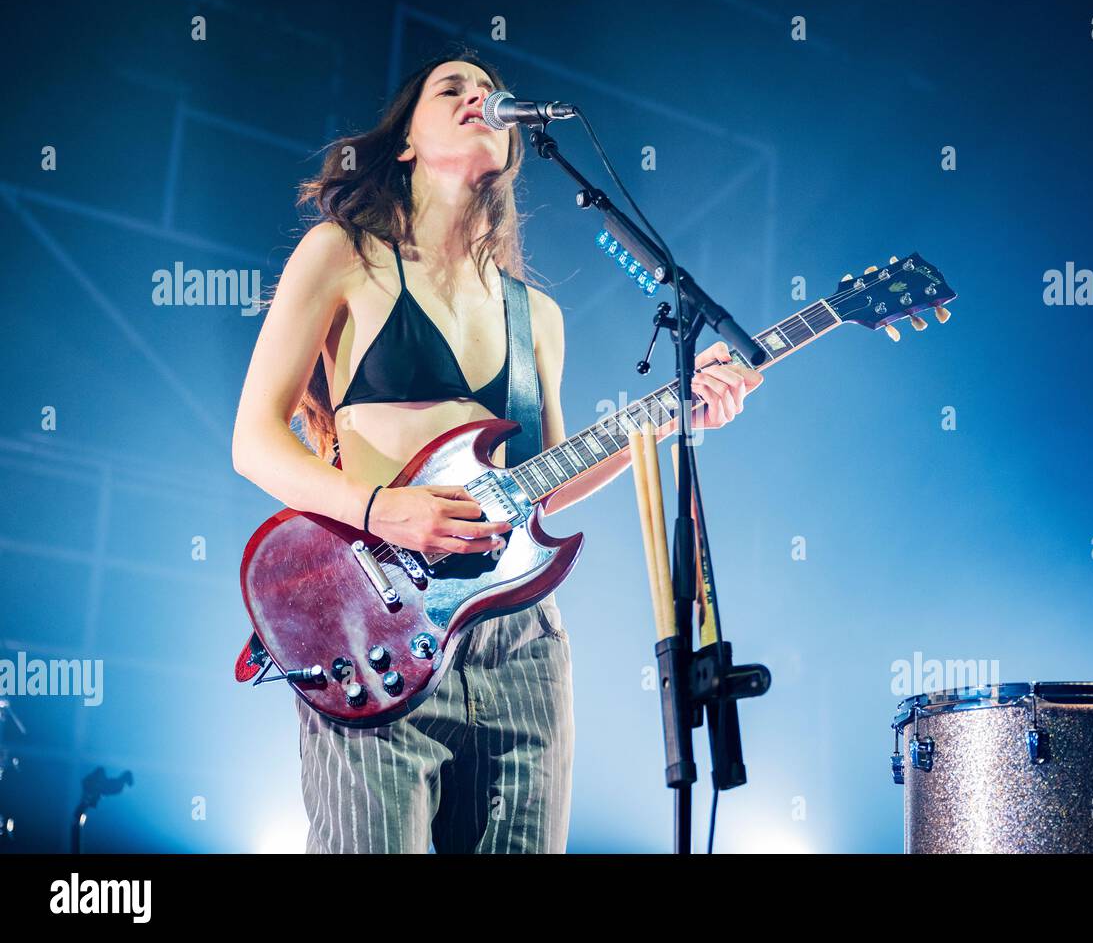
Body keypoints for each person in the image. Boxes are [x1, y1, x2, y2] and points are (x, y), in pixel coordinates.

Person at [231, 44, 762, 853]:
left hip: (522, 649)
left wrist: (675, 415)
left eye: (492, 90)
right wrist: (381, 507)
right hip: (376, 634)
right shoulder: (342, 255)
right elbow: (253, 441)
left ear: (518, 143)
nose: (480, 97)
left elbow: (542, 486)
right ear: (406, 140)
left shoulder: (537, 316)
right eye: (454, 88)